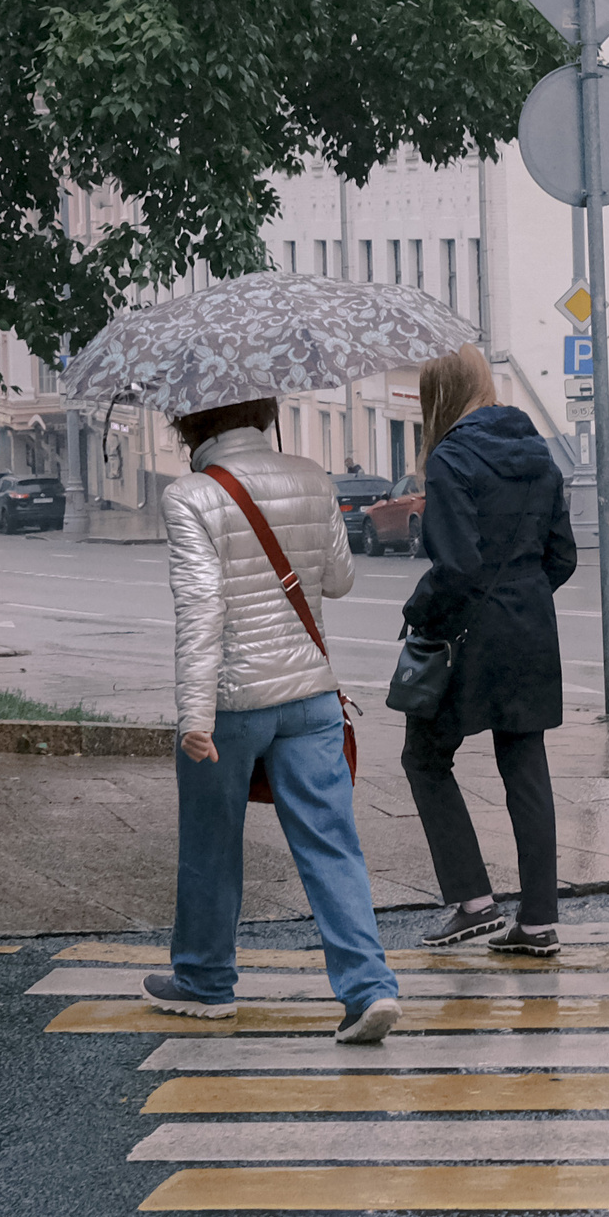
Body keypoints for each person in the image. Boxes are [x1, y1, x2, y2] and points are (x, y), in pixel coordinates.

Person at [149, 396, 403, 1041]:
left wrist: (193, 715)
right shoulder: (314, 478)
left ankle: (206, 983)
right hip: (312, 697)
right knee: (332, 844)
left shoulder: (190, 496)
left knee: (210, 845)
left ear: (191, 424)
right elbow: (339, 582)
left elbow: (201, 610)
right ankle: (369, 988)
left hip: (232, 704)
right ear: (261, 412)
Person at [398, 347, 578, 955]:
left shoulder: (450, 457)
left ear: (439, 396)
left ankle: (474, 901)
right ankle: (538, 921)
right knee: (525, 765)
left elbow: (457, 566)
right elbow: (563, 557)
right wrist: (523, 596)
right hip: (532, 629)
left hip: (473, 636)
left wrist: (419, 614)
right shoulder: (540, 455)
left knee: (425, 756)